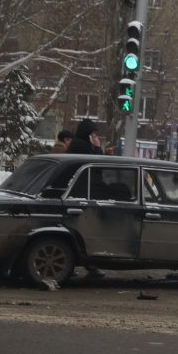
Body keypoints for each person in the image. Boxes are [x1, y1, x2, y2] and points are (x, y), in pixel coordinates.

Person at [65, 119, 108, 278]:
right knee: (87, 231)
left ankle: (87, 265)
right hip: (82, 194)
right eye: (93, 134)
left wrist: (100, 151)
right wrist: (97, 148)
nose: (95, 136)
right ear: (87, 134)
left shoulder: (79, 143)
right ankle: (89, 265)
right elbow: (94, 165)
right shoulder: (81, 145)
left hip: (80, 193)